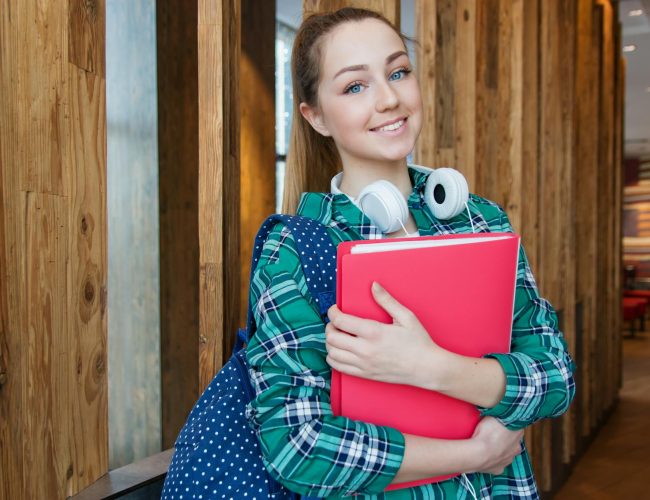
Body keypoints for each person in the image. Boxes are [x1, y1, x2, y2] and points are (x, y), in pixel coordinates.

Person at [245, 7, 575, 499]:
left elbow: (556, 375)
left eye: (398, 72)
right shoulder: (295, 249)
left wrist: (431, 367)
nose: (390, 98)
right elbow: (297, 446)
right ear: (315, 116)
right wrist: (474, 454)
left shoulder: (480, 220)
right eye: (355, 86)